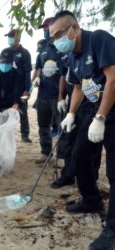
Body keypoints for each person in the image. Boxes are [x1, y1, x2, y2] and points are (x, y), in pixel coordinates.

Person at [50, 10, 115, 249]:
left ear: (74, 29)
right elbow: (78, 87)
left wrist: (101, 117)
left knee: (114, 173)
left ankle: (112, 231)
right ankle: (92, 200)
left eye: (59, 34)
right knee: (78, 157)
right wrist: (70, 114)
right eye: (53, 37)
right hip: (92, 110)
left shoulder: (99, 40)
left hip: (110, 112)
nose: (57, 40)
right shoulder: (72, 58)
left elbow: (113, 79)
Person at [33, 17, 66, 164]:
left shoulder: (62, 47)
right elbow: (39, 67)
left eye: (47, 27)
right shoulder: (44, 48)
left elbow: (65, 73)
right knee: (43, 126)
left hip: (57, 95)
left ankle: (61, 156)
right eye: (44, 29)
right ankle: (45, 153)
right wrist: (36, 79)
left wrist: (61, 96)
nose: (45, 31)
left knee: (61, 126)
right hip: (43, 95)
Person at [5, 29, 32, 143]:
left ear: (18, 38)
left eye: (12, 36)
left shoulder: (25, 53)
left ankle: (25, 135)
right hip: (7, 89)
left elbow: (27, 73)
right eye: (9, 36)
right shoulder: (5, 52)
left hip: (21, 88)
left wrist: (27, 89)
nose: (10, 39)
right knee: (7, 112)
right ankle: (7, 134)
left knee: (23, 112)